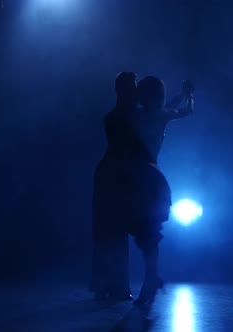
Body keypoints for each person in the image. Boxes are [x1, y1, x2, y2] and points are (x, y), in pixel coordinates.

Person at [125, 76, 194, 306]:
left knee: (146, 233)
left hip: (144, 178)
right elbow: (182, 110)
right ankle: (150, 280)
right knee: (148, 234)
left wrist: (185, 95)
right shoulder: (158, 114)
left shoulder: (138, 115)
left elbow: (176, 108)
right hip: (149, 177)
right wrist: (187, 95)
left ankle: (150, 281)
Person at [90, 72, 138, 301]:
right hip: (112, 177)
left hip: (116, 177)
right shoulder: (117, 118)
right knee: (111, 232)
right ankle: (111, 284)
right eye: (132, 86)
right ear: (122, 90)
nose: (135, 90)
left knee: (115, 232)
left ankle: (113, 285)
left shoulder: (121, 116)